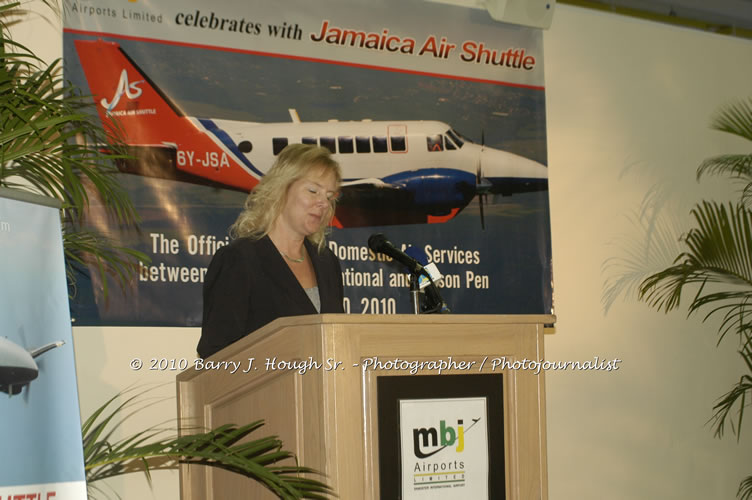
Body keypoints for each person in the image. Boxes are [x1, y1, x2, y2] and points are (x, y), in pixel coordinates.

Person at [197, 144, 344, 359]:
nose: (323, 203)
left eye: (330, 196)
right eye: (313, 191)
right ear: (281, 189)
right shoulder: (240, 259)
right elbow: (216, 353)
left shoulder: (327, 262)